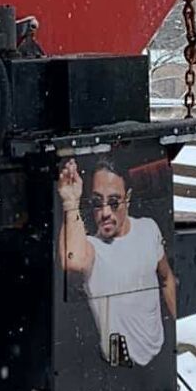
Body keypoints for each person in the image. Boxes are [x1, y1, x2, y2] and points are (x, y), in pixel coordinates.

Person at [57, 156, 176, 367]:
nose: (105, 213)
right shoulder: (93, 248)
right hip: (120, 366)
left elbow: (166, 277)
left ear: (127, 198)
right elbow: (73, 261)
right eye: (97, 203)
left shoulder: (149, 228)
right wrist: (70, 202)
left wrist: (175, 327)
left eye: (113, 202)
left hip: (159, 354)